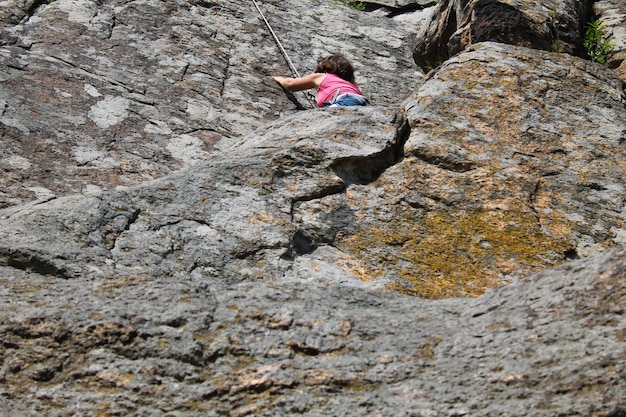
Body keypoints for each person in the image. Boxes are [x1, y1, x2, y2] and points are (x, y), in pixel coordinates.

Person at [272, 55, 370, 108]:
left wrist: (277, 79)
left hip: (346, 101)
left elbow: (290, 84)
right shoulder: (351, 85)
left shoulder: (322, 76)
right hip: (364, 103)